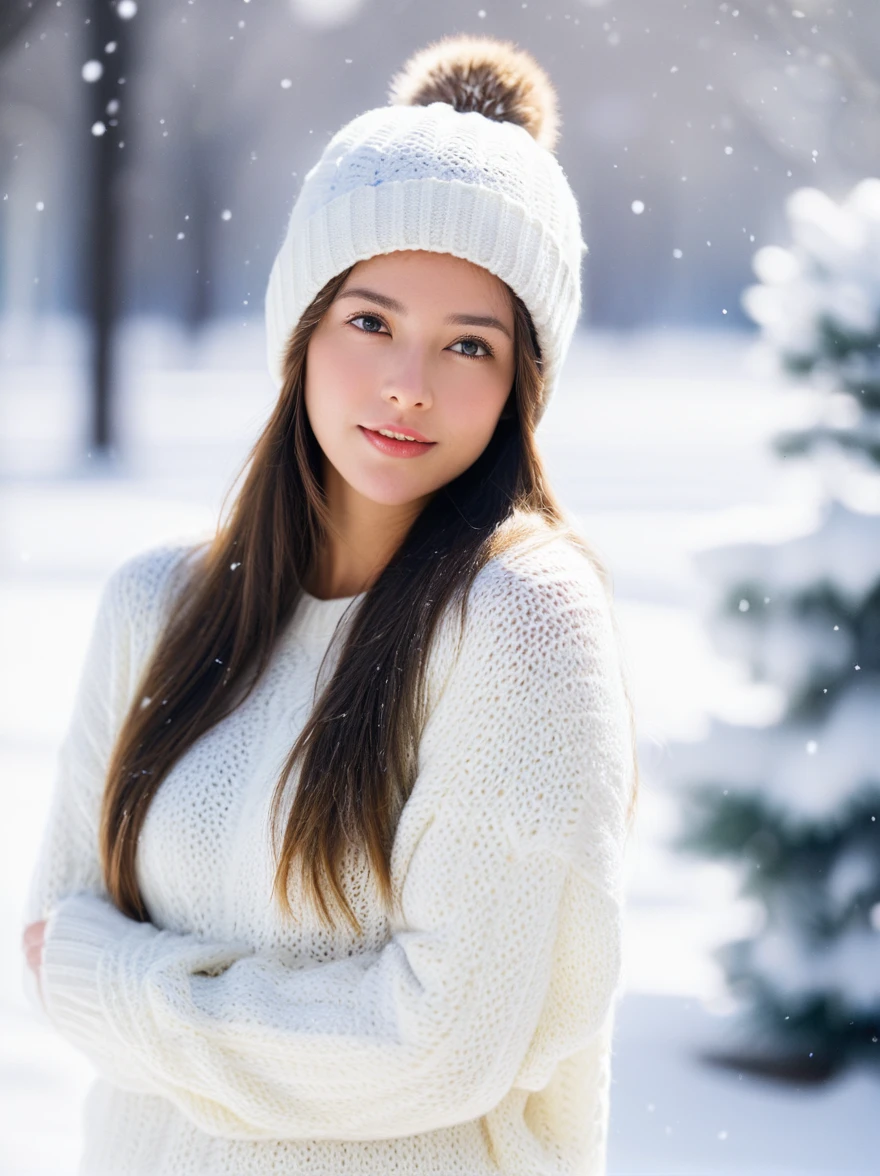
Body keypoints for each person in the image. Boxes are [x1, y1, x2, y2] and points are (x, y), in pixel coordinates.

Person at [21, 33, 640, 1176]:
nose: (411, 381)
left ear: (519, 387)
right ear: (300, 327)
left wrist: (129, 989)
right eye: (370, 321)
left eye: (470, 344)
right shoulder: (157, 603)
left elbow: (437, 1046)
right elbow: (49, 937)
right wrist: (171, 1005)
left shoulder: (520, 619)